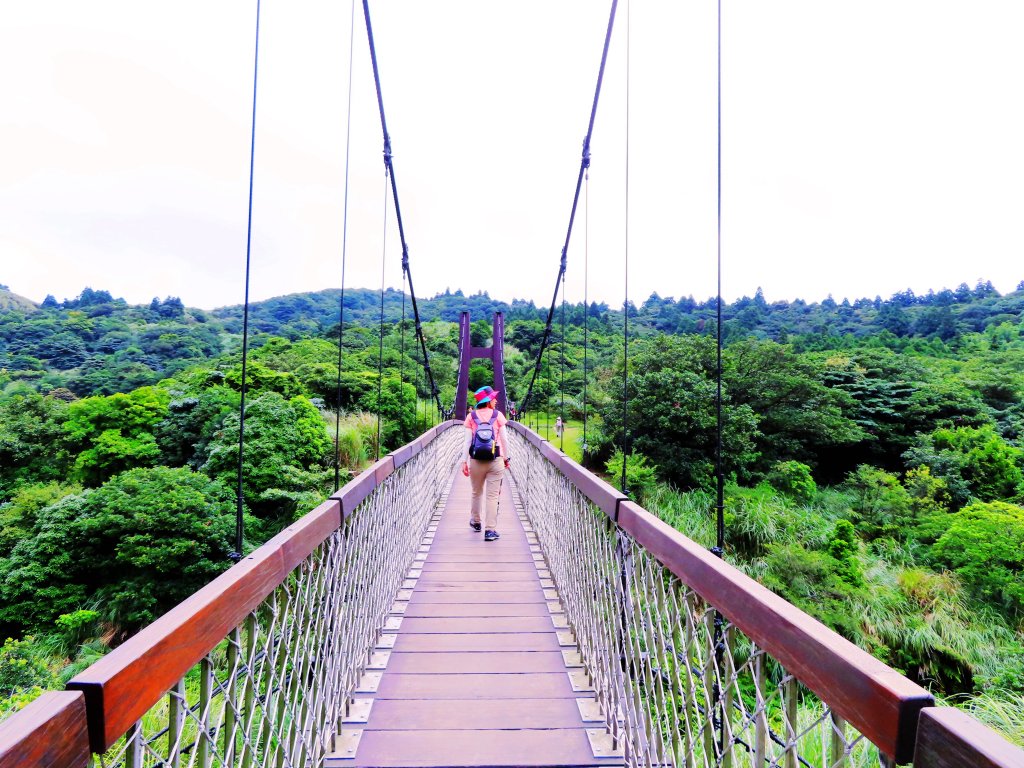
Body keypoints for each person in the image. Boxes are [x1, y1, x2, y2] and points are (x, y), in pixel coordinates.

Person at [461, 386, 510, 542]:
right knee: (492, 496)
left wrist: (464, 461)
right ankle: (490, 531)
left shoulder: (471, 416)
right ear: (488, 401)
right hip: (495, 460)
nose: (496, 400)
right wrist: (506, 458)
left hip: (476, 460)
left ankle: (476, 522)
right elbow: (504, 440)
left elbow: (467, 441)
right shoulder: (498, 415)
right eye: (494, 398)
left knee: (476, 492)